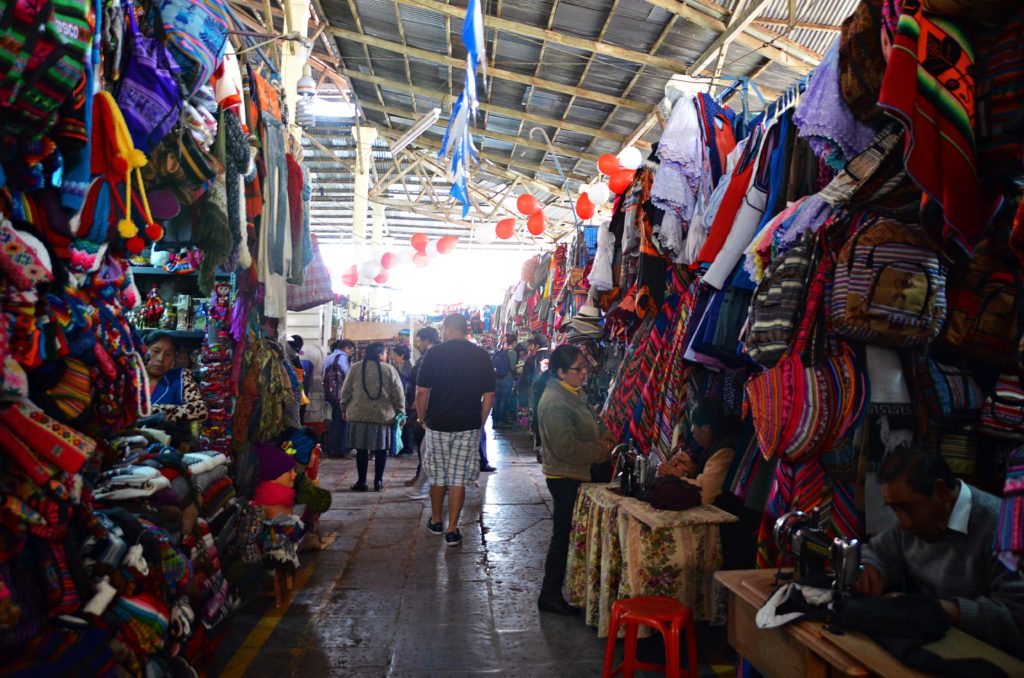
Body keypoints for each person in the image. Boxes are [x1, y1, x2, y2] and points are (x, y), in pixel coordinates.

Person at [855, 447, 1024, 656]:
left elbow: (1017, 618)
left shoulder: (1004, 529)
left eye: (907, 508)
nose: (903, 523)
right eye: (893, 509)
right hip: (938, 646)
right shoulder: (913, 525)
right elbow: (879, 550)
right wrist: (872, 566)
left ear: (942, 492)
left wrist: (944, 610)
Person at [536, 345, 614, 615]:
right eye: (578, 369)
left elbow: (598, 423)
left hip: (581, 473)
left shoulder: (573, 393)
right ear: (560, 372)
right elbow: (565, 448)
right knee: (563, 535)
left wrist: (604, 436)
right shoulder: (555, 402)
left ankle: (567, 591)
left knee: (572, 534)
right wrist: (602, 450)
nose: (584, 373)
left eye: (585, 368)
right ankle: (549, 593)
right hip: (567, 477)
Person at [415, 314, 496, 547]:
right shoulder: (480, 355)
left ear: (449, 329)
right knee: (459, 478)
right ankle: (452, 530)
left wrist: (423, 419)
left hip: (438, 424)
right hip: (467, 424)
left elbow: (422, 392)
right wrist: (479, 422)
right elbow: (489, 396)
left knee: (438, 476)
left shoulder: (434, 354)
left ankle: (437, 520)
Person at [340, 343, 405, 492]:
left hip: (358, 415)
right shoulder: (389, 369)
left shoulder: (356, 367)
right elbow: (398, 394)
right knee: (381, 450)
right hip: (382, 417)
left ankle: (361, 481)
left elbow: (346, 391)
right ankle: (378, 482)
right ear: (381, 354)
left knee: (361, 450)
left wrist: (343, 408)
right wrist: (401, 413)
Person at [656, 400, 736, 505]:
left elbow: (705, 494)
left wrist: (678, 476)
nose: (692, 430)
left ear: (706, 428)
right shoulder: (714, 443)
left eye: (693, 424)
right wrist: (693, 468)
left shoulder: (725, 452)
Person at [144, 331, 208, 425]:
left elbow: (200, 411)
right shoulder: (131, 379)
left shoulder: (180, 377)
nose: (161, 359)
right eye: (156, 351)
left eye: (168, 354)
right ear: (143, 351)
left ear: (174, 358)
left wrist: (151, 411)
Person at [405, 327, 439, 486]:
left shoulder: (431, 355)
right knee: (421, 442)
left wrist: (420, 402)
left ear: (427, 340)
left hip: (424, 406)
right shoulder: (429, 355)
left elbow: (426, 384)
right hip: (420, 403)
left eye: (419, 340)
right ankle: (421, 475)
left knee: (424, 441)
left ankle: (425, 478)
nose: (418, 343)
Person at [324, 339, 356, 458]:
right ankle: (338, 449)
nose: (351, 353)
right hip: (341, 395)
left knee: (335, 420)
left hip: (331, 394)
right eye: (351, 350)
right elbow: (348, 378)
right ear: (346, 348)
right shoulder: (343, 358)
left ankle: (331, 447)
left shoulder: (329, 357)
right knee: (341, 422)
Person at [491, 333, 519, 427]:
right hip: (507, 379)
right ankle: (500, 422)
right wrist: (517, 373)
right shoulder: (512, 353)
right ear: (514, 342)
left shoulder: (500, 351)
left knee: (497, 400)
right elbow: (512, 367)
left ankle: (495, 421)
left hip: (497, 379)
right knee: (504, 400)